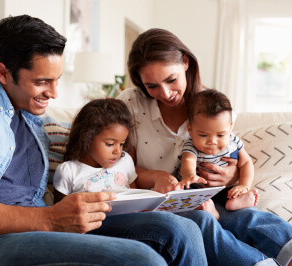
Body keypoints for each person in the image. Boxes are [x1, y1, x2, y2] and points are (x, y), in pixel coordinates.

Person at [0, 15, 208, 265]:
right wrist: (49, 218)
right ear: (3, 73)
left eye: (57, 80)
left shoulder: (33, 119)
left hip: (40, 224)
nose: (54, 93)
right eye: (42, 81)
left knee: (178, 229)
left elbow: (92, 141)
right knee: (141, 260)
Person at [117, 28, 292, 266]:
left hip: (209, 194)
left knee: (249, 217)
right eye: (152, 86)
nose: (166, 93)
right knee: (202, 221)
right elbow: (121, 166)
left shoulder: (213, 106)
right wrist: (155, 176)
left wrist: (232, 177)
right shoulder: (131, 103)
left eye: (171, 80)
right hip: (160, 203)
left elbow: (232, 156)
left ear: (186, 62)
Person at [178, 89, 259, 220]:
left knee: (233, 192)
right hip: (198, 188)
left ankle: (236, 202)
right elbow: (188, 161)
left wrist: (243, 185)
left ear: (230, 128)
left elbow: (246, 163)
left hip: (224, 188)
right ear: (190, 129)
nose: (212, 141)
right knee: (183, 193)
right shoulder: (191, 145)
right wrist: (190, 175)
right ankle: (208, 209)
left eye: (221, 135)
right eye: (203, 135)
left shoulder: (233, 141)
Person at [54, 98, 137, 203]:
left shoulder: (125, 161)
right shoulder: (68, 171)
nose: (118, 151)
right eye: (110, 144)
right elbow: (60, 211)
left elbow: (136, 196)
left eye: (122, 144)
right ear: (86, 138)